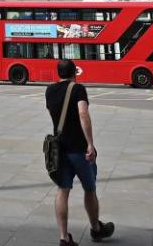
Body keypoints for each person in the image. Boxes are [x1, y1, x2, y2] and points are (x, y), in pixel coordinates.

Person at [45, 59, 114, 246]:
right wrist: (90, 144)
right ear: (75, 72)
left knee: (62, 190)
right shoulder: (78, 89)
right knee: (89, 190)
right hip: (78, 149)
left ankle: (64, 238)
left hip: (59, 149)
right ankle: (96, 228)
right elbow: (83, 114)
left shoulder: (49, 90)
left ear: (58, 73)